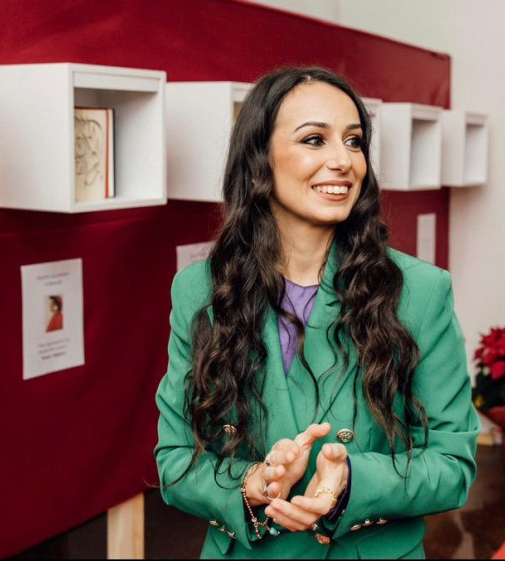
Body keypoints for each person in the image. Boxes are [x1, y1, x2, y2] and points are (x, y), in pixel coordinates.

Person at [155, 67, 479, 559]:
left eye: (354, 141)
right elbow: (175, 461)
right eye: (314, 140)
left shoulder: (420, 292)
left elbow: (452, 465)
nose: (343, 161)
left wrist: (352, 482)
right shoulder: (200, 291)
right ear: (259, 162)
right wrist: (250, 483)